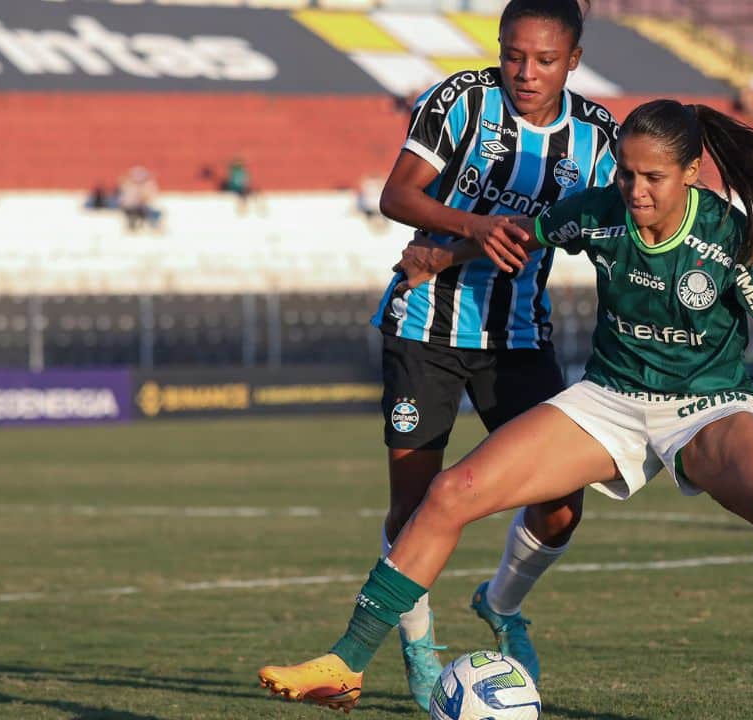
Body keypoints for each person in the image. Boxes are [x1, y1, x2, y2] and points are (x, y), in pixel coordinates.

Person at [259, 99, 753, 720]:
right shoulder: (601, 211)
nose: (636, 191)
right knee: (453, 490)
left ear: (691, 173)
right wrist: (446, 252)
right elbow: (523, 233)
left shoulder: (729, 238)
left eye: (654, 178)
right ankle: (346, 664)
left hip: (708, 407)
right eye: (627, 174)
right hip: (609, 398)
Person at [258, 0, 619, 712]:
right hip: (424, 328)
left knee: (561, 508)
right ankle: (420, 651)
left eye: (544, 60)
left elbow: (588, 224)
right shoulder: (460, 100)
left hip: (519, 338)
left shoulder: (598, 137)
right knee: (415, 508)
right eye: (514, 55)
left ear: (573, 61)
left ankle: (503, 604)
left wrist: (454, 245)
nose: (525, 72)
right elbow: (398, 194)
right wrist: (471, 227)